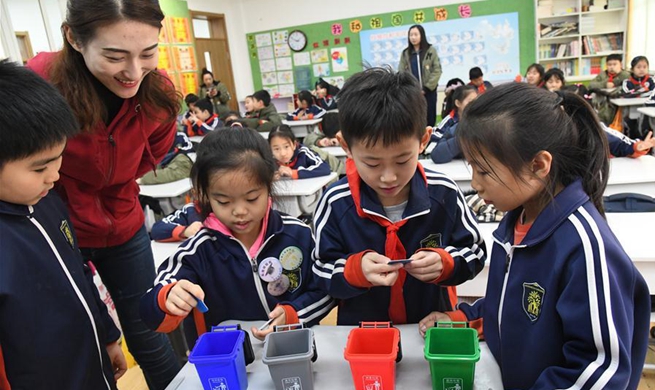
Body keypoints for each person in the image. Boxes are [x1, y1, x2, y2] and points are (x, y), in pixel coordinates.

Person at [419, 83, 651, 389]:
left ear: (538, 166)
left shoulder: (584, 246)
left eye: (484, 171)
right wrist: (466, 318)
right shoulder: (515, 224)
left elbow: (601, 371)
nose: (475, 183)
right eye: (472, 168)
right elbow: (518, 303)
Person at [27, 0, 181, 387]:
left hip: (124, 225)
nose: (133, 72)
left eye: (148, 53)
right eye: (115, 56)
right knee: (82, 341)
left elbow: (153, 155)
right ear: (74, 39)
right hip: (57, 230)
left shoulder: (158, 94)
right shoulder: (41, 84)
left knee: (151, 334)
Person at [311, 68, 486, 325]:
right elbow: (318, 271)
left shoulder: (443, 193)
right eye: (372, 164)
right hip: (364, 336)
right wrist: (354, 270)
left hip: (430, 329)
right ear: (346, 146)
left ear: (423, 140)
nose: (389, 177)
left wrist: (446, 262)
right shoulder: (335, 202)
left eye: (403, 160)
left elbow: (476, 251)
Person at [140, 129, 334, 343]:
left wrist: (295, 314)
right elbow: (151, 313)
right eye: (224, 202)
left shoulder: (297, 234)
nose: (239, 211)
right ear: (204, 195)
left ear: (269, 185)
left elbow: (326, 289)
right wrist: (167, 298)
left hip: (293, 352)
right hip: (230, 364)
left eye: (251, 198)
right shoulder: (199, 250)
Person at [0, 59, 126, 388]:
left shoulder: (48, 203)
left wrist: (108, 337)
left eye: (59, 159)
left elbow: (80, 271)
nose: (54, 176)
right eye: (40, 168)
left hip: (92, 366)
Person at [398, 24, 442, 127]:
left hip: (429, 91)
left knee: (430, 117)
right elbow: (401, 72)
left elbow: (437, 70)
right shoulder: (405, 53)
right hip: (413, 93)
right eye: (411, 35)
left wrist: (426, 88)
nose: (413, 37)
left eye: (415, 34)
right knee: (415, 118)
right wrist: (410, 88)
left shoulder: (431, 50)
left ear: (421, 35)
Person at [429, 85, 478, 164]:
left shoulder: (485, 122)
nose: (475, 105)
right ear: (458, 103)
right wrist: (460, 140)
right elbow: (437, 152)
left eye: (477, 102)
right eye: (470, 102)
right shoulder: (452, 126)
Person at [589, 54, 631, 125]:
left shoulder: (625, 74)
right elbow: (591, 85)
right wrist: (605, 83)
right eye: (609, 64)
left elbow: (628, 80)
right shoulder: (603, 74)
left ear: (620, 64)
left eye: (615, 64)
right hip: (603, 101)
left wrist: (615, 80)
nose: (612, 67)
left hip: (619, 102)